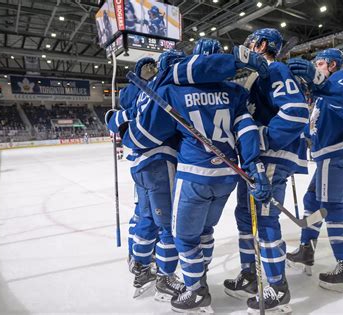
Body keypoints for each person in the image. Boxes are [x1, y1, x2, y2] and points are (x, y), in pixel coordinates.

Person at [120, 38, 270, 313]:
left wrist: (123, 128)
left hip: (194, 176)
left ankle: (196, 289)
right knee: (206, 231)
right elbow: (247, 131)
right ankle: (200, 276)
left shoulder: (175, 92)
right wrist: (254, 167)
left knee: (184, 237)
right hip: (227, 175)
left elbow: (146, 137)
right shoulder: (236, 93)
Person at [222, 29, 309, 314]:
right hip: (257, 160)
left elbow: (296, 112)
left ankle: (277, 287)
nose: (247, 48)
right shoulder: (256, 77)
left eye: (250, 44)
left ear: (261, 46)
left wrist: (262, 136)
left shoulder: (276, 69)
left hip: (271, 156)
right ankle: (251, 274)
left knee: (266, 221)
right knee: (245, 217)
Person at [106, 52, 186, 300]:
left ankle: (140, 268)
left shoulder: (138, 92)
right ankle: (165, 278)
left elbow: (119, 115)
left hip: (139, 165)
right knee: (167, 226)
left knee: (146, 218)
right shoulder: (165, 87)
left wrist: (113, 116)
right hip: (161, 162)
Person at [286, 48, 343, 294]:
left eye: (319, 63)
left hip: (336, 153)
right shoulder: (320, 97)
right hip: (327, 156)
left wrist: (316, 79)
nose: (316, 67)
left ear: (332, 64)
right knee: (312, 200)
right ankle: (306, 249)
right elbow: (315, 129)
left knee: (331, 206)